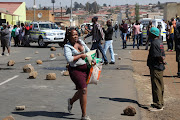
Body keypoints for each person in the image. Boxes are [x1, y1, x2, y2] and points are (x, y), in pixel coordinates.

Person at [64, 28, 92, 120]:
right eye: (73, 35)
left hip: (86, 69)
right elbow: (69, 59)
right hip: (75, 70)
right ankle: (84, 116)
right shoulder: (67, 47)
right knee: (83, 90)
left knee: (81, 91)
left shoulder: (81, 42)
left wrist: (93, 59)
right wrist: (80, 55)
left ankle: (71, 101)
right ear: (69, 37)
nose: (75, 36)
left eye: (76, 34)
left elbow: (88, 51)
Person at [147, 27, 165, 111]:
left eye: (150, 33)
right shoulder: (160, 42)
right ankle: (160, 101)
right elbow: (162, 55)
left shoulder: (154, 43)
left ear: (153, 34)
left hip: (156, 66)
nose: (148, 34)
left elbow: (157, 55)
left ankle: (158, 103)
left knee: (156, 85)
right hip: (159, 66)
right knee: (160, 84)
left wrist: (161, 60)